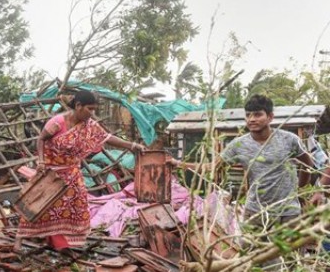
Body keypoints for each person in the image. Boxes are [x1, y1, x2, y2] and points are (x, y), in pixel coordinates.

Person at [17, 90, 145, 253]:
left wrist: (132, 145)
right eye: (89, 109)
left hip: (71, 172)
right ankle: (19, 241)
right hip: (51, 172)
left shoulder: (90, 126)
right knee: (38, 206)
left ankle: (61, 243)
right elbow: (41, 139)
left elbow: (107, 137)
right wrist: (41, 161)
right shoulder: (57, 122)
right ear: (78, 106)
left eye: (94, 110)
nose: (92, 113)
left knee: (73, 208)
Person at [172, 94, 313, 229]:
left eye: (257, 114)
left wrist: (299, 192)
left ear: (270, 117)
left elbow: (308, 164)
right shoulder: (238, 145)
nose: (251, 119)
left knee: (289, 253)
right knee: (252, 252)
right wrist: (178, 164)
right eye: (248, 115)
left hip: (287, 212)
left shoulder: (289, 140)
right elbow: (212, 167)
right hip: (255, 211)